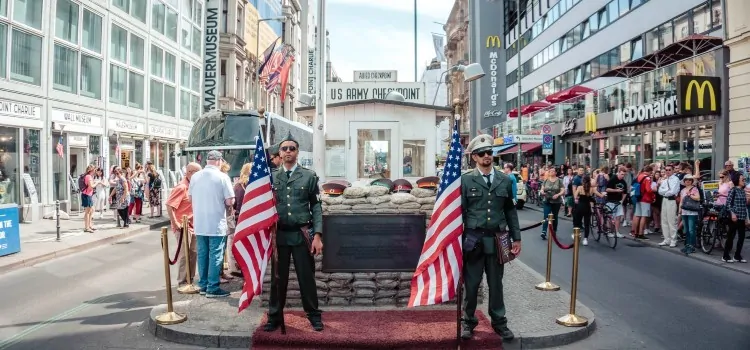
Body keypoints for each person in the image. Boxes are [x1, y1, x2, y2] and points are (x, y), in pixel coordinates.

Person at [459, 134, 521, 341]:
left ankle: (499, 322)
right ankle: (468, 321)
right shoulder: (466, 180)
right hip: (474, 240)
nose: (487, 156)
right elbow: (461, 211)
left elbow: (510, 211)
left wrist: (517, 238)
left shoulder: (504, 179)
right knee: (472, 283)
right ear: (474, 157)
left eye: (489, 153)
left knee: (496, 284)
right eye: (482, 153)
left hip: (497, 239)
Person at [264, 132, 324, 333]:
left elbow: (316, 207)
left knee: (306, 278)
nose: (288, 151)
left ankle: (314, 315)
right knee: (277, 279)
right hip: (279, 235)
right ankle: (274, 317)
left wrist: (317, 235)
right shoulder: (271, 177)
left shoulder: (309, 176)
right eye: (284, 148)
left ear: (297, 152)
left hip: (301, 234)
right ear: (279, 153)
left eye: (292, 148)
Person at [188, 151, 235, 298]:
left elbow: (190, 198)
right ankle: (213, 287)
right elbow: (230, 201)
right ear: (219, 161)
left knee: (202, 254)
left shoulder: (195, 176)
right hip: (216, 222)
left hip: (200, 223)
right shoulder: (223, 177)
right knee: (215, 255)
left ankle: (203, 285)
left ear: (207, 161)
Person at [166, 162, 202, 287]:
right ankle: (182, 281)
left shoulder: (194, 185)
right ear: (190, 172)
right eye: (198, 172)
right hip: (183, 226)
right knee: (184, 254)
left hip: (193, 225)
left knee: (193, 253)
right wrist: (176, 223)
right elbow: (169, 205)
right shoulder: (182, 187)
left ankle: (190, 279)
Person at [229, 163, 253, 278]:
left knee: (242, 246)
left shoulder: (237, 186)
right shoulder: (253, 184)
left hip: (240, 220)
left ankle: (241, 269)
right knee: (251, 247)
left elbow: (233, 205)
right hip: (252, 219)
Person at [723, 173, 747, 263]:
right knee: (731, 236)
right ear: (737, 180)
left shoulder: (742, 191)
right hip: (734, 217)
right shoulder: (733, 190)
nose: (744, 180)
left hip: (742, 216)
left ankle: (737, 255)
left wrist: (747, 218)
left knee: (741, 237)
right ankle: (725, 255)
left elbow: (744, 205)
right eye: (742, 179)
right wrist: (732, 214)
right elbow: (728, 204)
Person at [678, 174, 701, 254]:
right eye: (686, 180)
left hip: (692, 212)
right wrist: (679, 210)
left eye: (689, 180)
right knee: (686, 230)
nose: (688, 181)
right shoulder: (682, 190)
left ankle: (692, 246)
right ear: (684, 181)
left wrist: (690, 194)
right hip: (684, 212)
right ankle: (687, 245)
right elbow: (681, 201)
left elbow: (698, 198)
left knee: (691, 230)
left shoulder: (694, 189)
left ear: (692, 181)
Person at [540, 168, 564, 240]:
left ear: (556, 172)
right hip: (547, 200)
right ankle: (544, 231)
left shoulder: (559, 181)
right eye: (550, 171)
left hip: (556, 201)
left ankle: (554, 230)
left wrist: (558, 194)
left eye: (553, 171)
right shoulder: (546, 180)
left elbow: (563, 190)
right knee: (546, 215)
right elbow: (542, 189)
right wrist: (542, 192)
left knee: (554, 216)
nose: (551, 172)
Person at [632, 165, 655, 240]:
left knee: (637, 215)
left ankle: (635, 232)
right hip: (645, 198)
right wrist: (654, 189)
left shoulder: (639, 176)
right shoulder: (647, 178)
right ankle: (641, 233)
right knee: (644, 216)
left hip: (638, 197)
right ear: (650, 171)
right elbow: (648, 190)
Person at [573, 175, 596, 246]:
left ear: (582, 181)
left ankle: (577, 234)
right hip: (587, 207)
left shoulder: (580, 187)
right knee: (586, 224)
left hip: (580, 206)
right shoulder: (591, 189)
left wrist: (576, 198)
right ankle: (585, 239)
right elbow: (597, 195)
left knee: (578, 221)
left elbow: (575, 196)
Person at [605, 169, 628, 238]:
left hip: (618, 202)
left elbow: (625, 193)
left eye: (624, 175)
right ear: (618, 173)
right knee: (610, 217)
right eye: (621, 174)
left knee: (618, 217)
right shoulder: (613, 179)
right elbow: (607, 189)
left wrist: (622, 200)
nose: (622, 176)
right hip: (611, 201)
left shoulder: (624, 182)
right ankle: (610, 231)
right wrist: (616, 190)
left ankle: (617, 231)